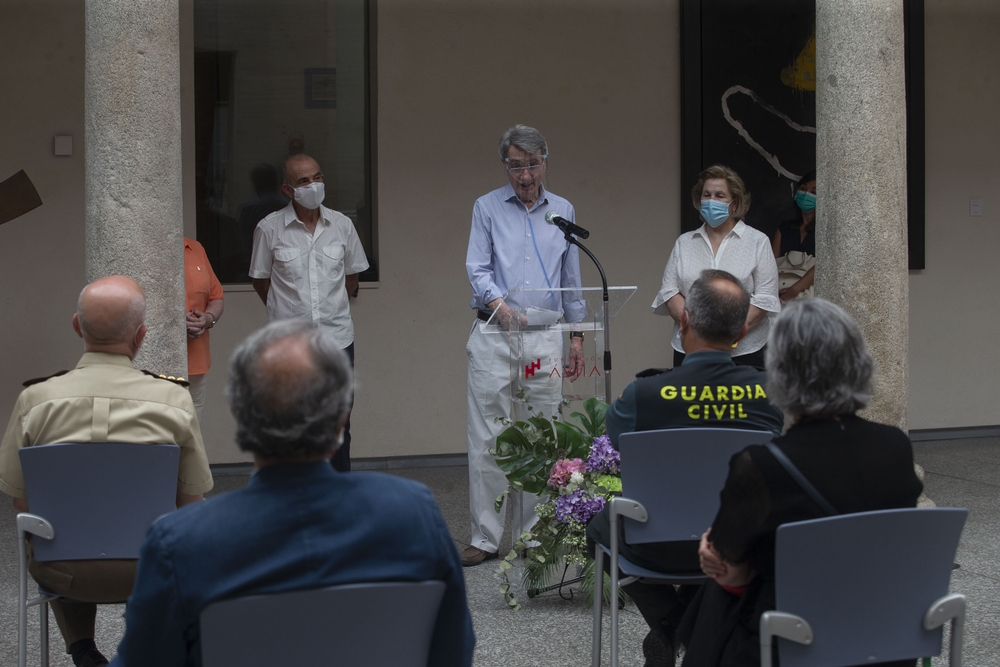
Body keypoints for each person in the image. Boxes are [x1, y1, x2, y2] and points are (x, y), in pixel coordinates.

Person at [109, 320, 475, 667]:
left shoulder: (180, 544)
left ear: (240, 414)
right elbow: (453, 651)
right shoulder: (413, 514)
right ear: (342, 415)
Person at [678, 298, 923, 667]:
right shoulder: (896, 447)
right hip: (886, 639)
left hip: (789, 644)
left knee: (719, 591)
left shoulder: (761, 465)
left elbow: (724, 558)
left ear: (779, 372)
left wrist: (710, 550)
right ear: (858, 363)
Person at [0, 276, 213, 667]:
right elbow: (192, 504)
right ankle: (143, 643)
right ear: (142, 335)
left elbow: (21, 500)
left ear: (77, 326)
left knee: (53, 531)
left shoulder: (35, 400)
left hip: (60, 572)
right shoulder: (174, 400)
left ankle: (83, 650)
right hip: (148, 571)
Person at [587, 270, 784, 667]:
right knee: (712, 514)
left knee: (598, 528)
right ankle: (691, 629)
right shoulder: (770, 392)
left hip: (653, 545)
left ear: (685, 320)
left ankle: (672, 622)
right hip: (734, 546)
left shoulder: (643, 394)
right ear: (741, 331)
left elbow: (617, 437)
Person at [463, 124, 587, 567]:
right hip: (496, 335)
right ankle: (485, 536)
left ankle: (535, 536)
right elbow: (477, 268)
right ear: (506, 166)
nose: (525, 174)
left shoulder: (563, 210)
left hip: (543, 341)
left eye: (532, 164)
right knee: (489, 437)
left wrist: (576, 337)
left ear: (545, 162)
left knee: (543, 436)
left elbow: (571, 283)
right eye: (516, 165)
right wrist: (501, 306)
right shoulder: (487, 208)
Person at [249, 153, 369, 472]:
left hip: (336, 341)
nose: (313, 185)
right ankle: (295, 495)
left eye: (317, 177)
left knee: (338, 423)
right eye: (304, 181)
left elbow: (352, 275)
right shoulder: (269, 228)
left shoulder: (342, 225)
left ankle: (338, 495)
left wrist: (331, 305)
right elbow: (260, 281)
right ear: (287, 190)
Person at [653, 165, 780, 368]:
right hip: (689, 352)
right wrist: (695, 331)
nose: (712, 201)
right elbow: (669, 291)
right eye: (707, 195)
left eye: (720, 195)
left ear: (734, 203)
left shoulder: (757, 241)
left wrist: (727, 333)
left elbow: (766, 297)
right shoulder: (685, 242)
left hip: (745, 352)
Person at [184, 237, 224, 418]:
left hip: (195, 365)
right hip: (153, 367)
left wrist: (208, 318)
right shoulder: (138, 248)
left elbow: (216, 297)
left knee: (192, 436)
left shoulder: (195, 248)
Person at [771, 170, 816, 305]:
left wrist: (795, 290)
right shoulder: (785, 228)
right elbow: (771, 264)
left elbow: (823, 266)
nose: (806, 194)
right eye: (803, 189)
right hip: (781, 295)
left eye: (814, 192)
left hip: (811, 299)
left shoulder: (825, 231)